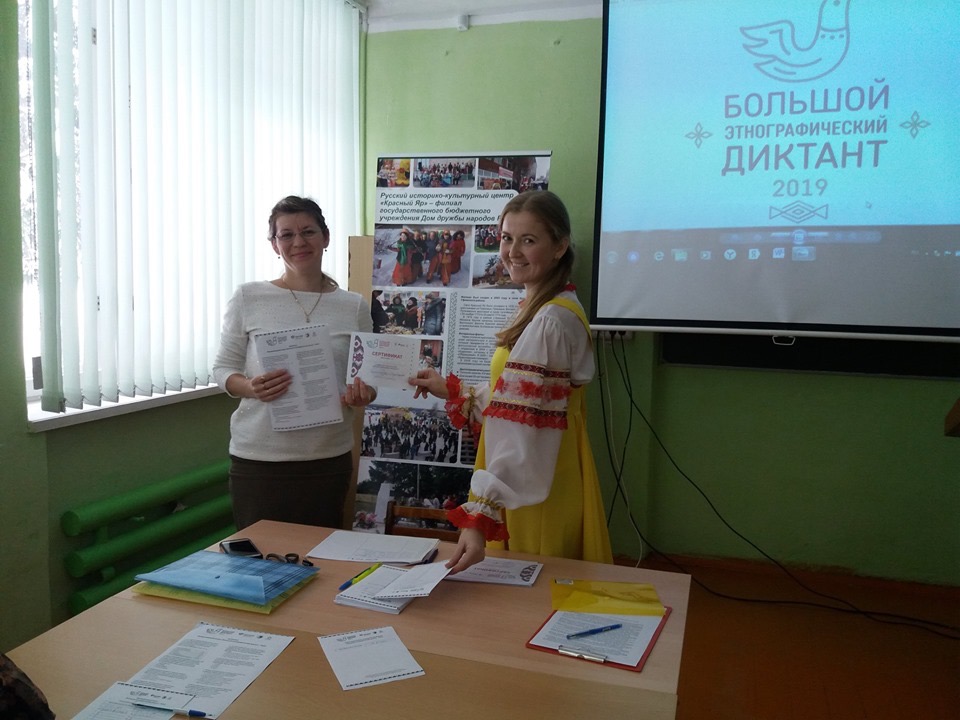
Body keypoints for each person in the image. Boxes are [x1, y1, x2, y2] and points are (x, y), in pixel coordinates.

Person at [410, 190, 613, 573]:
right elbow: (518, 398)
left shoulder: (550, 321)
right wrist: (454, 391)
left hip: (533, 479)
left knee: (532, 579)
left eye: (528, 240)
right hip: (546, 468)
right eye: (506, 238)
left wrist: (480, 514)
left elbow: (523, 427)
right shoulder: (548, 309)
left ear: (559, 247)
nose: (512, 252)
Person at [213, 195, 376, 530]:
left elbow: (368, 380)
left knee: (320, 554)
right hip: (259, 459)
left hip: (327, 459)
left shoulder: (354, 306)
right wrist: (251, 387)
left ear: (325, 237)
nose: (298, 242)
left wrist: (363, 394)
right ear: (275, 245)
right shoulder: (248, 297)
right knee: (257, 555)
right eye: (286, 235)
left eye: (308, 231)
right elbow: (222, 369)